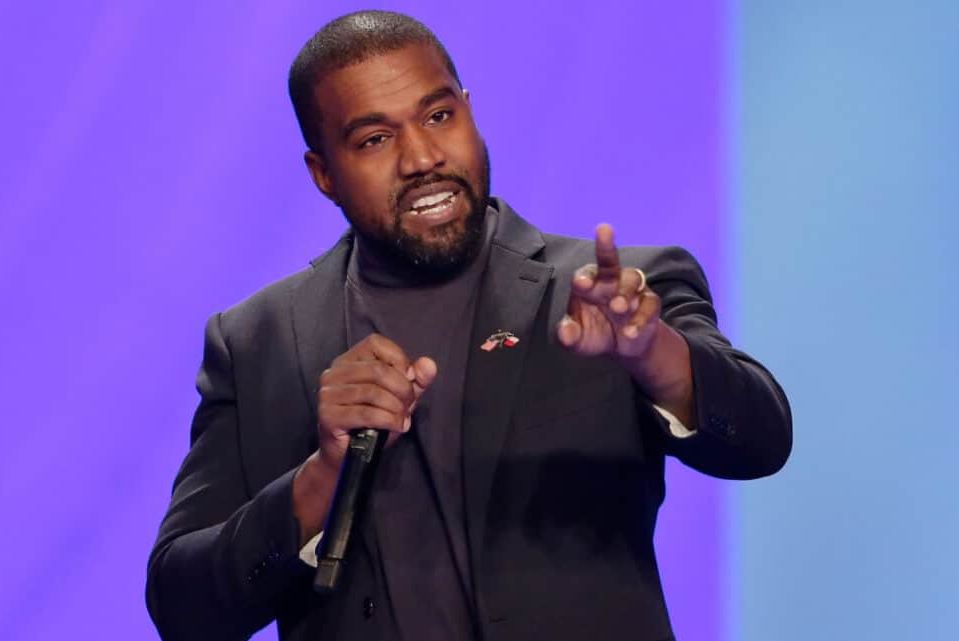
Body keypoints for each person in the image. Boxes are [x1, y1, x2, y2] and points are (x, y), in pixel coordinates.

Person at [146, 10, 791, 641]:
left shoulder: (617, 291)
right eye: (375, 139)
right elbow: (183, 608)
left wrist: (654, 356)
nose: (423, 157)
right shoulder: (256, 341)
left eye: (438, 116)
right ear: (323, 175)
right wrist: (321, 477)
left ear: (469, 111)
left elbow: (762, 441)